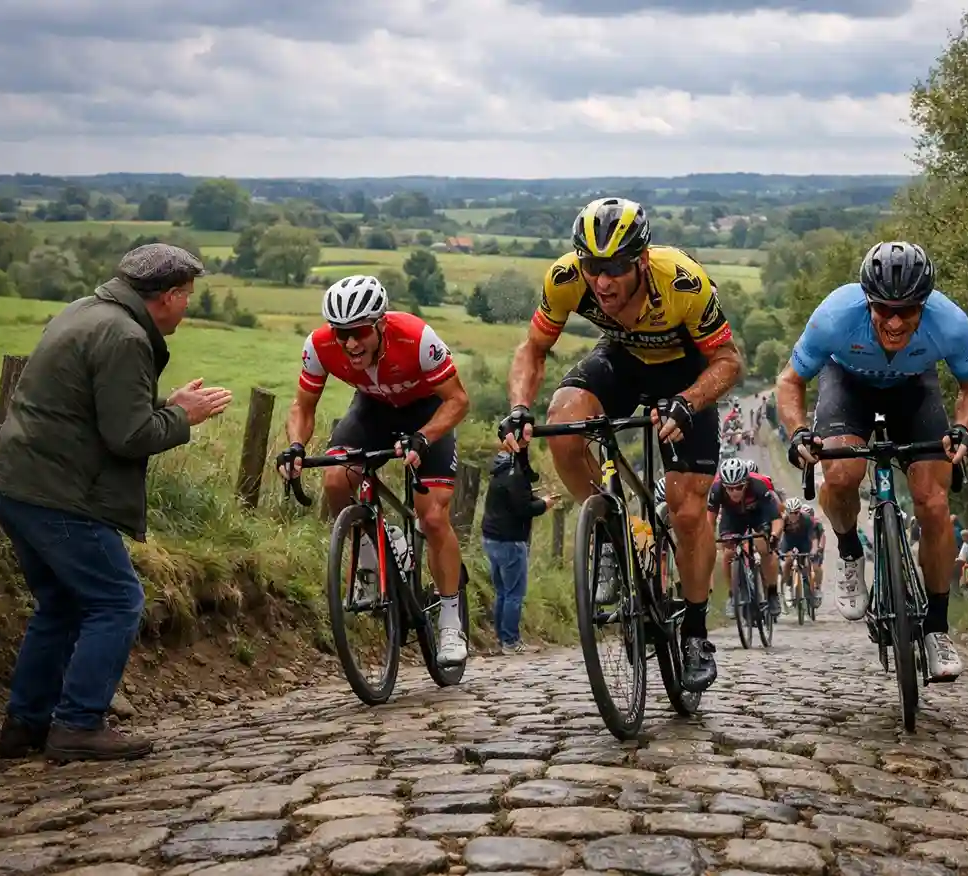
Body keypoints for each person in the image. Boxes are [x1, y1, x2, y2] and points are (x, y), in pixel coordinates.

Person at [0, 243, 231, 762]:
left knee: (60, 603)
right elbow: (128, 435)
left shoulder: (85, 310)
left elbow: (98, 411)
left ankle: (25, 724)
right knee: (117, 602)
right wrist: (184, 418)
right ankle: (77, 723)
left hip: (15, 482)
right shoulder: (125, 337)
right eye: (187, 295)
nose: (188, 305)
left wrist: (169, 405)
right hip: (61, 495)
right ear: (165, 297)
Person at [499, 197, 743, 693]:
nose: (602, 281)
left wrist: (688, 403)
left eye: (614, 268)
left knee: (688, 509)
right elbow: (533, 348)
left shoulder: (681, 281)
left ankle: (695, 635)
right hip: (623, 359)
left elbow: (729, 362)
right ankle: (613, 535)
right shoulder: (566, 279)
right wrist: (519, 406)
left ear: (640, 260)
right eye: (592, 266)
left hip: (686, 370)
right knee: (563, 425)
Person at [775, 240, 968, 681]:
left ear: (924, 306)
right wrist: (799, 433)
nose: (894, 322)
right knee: (840, 474)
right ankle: (850, 549)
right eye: (883, 310)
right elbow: (790, 381)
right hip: (848, 386)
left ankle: (937, 628)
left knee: (933, 503)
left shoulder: (949, 323)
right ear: (867, 301)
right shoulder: (836, 316)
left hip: (914, 390)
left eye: (907, 311)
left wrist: (965, 429)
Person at [276, 275, 471, 667]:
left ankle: (450, 620)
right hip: (373, 410)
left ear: (380, 323)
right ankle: (374, 547)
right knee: (335, 478)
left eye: (360, 332)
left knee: (433, 516)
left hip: (426, 411)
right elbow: (303, 407)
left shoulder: (417, 337)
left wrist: (423, 437)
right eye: (342, 332)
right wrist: (296, 446)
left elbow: (458, 401)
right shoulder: (319, 346)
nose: (350, 343)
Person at [481, 452, 559, 655]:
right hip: (511, 542)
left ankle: (501, 638)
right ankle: (511, 641)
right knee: (514, 594)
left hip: (491, 539)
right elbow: (523, 508)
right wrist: (545, 504)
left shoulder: (499, 476)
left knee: (502, 592)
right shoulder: (515, 476)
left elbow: (515, 499)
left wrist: (536, 498)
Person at [709, 458, 784, 619]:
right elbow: (709, 521)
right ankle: (732, 595)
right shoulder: (716, 489)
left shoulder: (758, 486)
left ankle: (771, 593)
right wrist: (708, 540)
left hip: (758, 516)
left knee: (765, 548)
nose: (734, 492)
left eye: (739, 487)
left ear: (747, 483)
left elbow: (776, 518)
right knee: (728, 553)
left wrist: (774, 535)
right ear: (723, 485)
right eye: (730, 488)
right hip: (732, 518)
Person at [778, 497, 823, 607]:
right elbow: (778, 535)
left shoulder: (806, 519)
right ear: (787, 512)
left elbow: (813, 537)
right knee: (788, 561)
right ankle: (788, 586)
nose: (793, 515)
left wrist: (814, 549)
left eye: (796, 512)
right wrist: (776, 548)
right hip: (789, 542)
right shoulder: (784, 520)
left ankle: (812, 587)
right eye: (790, 513)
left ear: (800, 512)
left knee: (808, 564)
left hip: (803, 542)